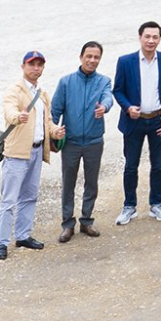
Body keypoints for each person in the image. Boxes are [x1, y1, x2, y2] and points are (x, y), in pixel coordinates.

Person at [48, 41, 116, 242]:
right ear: (81, 57)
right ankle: (67, 224)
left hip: (94, 141)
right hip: (71, 142)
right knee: (68, 182)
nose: (92, 60)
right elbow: (54, 111)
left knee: (91, 182)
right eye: (89, 56)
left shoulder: (103, 81)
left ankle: (87, 220)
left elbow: (108, 98)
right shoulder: (66, 82)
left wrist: (104, 107)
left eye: (96, 57)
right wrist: (53, 132)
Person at [0, 51, 60, 261]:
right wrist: (17, 116)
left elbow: (47, 121)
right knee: (9, 200)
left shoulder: (42, 93)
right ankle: (1, 243)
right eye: (32, 64)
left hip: (37, 149)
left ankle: (23, 235)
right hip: (16, 153)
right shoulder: (14, 90)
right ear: (23, 66)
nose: (36, 68)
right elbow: (9, 111)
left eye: (40, 65)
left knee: (30, 196)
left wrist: (55, 131)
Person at [113, 21, 161, 225]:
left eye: (155, 37)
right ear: (140, 37)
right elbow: (118, 89)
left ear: (159, 39)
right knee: (131, 165)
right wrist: (127, 107)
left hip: (159, 120)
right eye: (147, 36)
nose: (151, 40)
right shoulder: (126, 61)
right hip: (135, 121)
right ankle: (129, 206)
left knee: (158, 165)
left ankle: (156, 204)